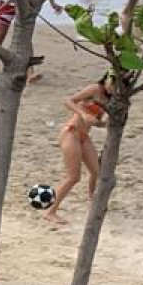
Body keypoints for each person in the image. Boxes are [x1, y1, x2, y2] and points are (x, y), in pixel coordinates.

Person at [41, 77, 110, 224]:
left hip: (84, 136)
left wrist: (103, 123)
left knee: (96, 171)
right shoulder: (95, 89)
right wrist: (82, 113)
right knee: (73, 177)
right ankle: (50, 211)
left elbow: (97, 121)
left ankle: (93, 200)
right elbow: (68, 101)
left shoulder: (112, 98)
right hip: (71, 133)